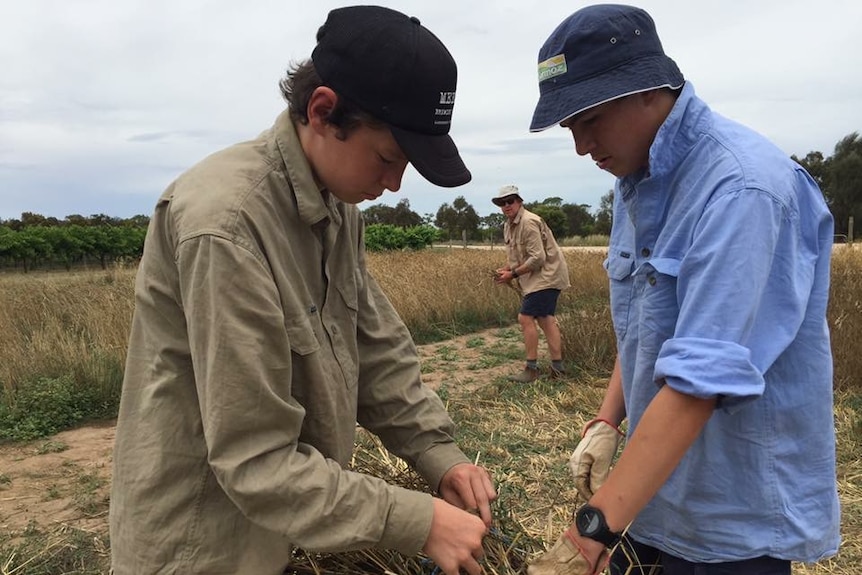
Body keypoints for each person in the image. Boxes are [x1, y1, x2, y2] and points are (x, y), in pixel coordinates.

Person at [108, 6, 497, 575]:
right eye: (389, 157)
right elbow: (255, 457)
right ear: (323, 111)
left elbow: (375, 349)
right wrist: (421, 521)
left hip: (271, 530)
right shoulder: (227, 225)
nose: (393, 184)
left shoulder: (338, 209)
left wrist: (438, 455)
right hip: (196, 543)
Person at [525, 4, 839, 575]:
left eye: (588, 119)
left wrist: (592, 528)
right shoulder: (631, 182)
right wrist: (606, 419)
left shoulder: (743, 190)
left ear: (647, 87)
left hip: (733, 517)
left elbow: (699, 381)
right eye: (569, 128)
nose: (580, 146)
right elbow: (649, 323)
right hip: (651, 497)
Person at [493, 184, 571, 382]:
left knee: (525, 318)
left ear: (519, 202)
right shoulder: (508, 225)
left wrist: (513, 274)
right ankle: (558, 370)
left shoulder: (528, 222)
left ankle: (531, 369)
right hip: (538, 278)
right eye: (502, 203)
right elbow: (523, 256)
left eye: (510, 201)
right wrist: (508, 269)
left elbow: (538, 258)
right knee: (546, 319)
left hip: (547, 276)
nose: (506, 205)